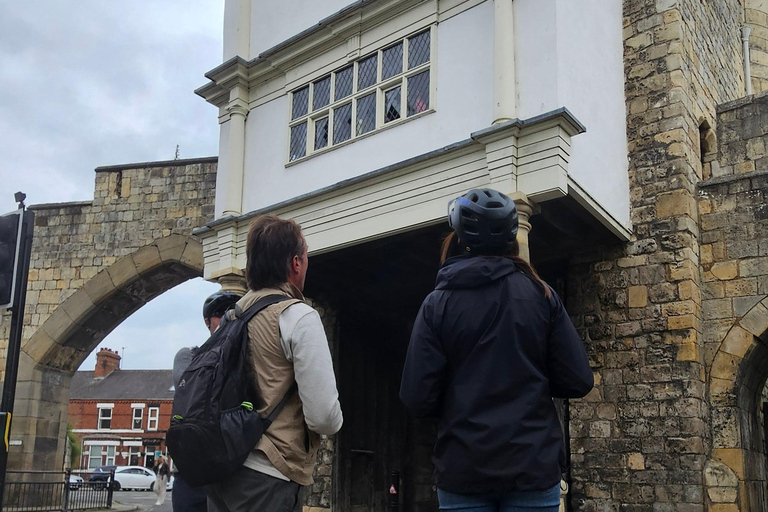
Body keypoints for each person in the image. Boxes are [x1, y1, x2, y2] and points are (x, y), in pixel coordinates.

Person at [400, 188, 594, 512]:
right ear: (511, 237)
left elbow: (416, 397)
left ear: (459, 237)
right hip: (533, 470)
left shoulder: (437, 305)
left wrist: (458, 398)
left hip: (463, 472)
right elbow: (578, 380)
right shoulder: (541, 296)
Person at [206, 214, 343, 512]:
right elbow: (323, 417)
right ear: (296, 263)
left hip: (221, 471)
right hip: (268, 477)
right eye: (305, 255)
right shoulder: (297, 316)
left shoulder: (232, 316)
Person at [171, 290, 241, 512]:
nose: (227, 316)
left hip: (232, 467)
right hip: (193, 469)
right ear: (207, 322)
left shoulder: (245, 353)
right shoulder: (189, 356)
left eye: (232, 311)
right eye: (220, 313)